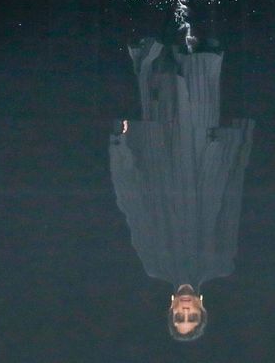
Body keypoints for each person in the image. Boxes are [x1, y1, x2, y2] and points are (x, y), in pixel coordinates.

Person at [109, 19, 254, 341]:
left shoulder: (155, 265)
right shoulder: (219, 264)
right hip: (205, 158)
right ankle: (195, 12)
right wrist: (236, 148)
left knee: (162, 83)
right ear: (202, 308)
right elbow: (231, 203)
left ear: (171, 308)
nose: (185, 310)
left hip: (162, 158)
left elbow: (133, 207)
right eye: (192, 316)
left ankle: (162, 14)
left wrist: (120, 147)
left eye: (179, 317)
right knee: (202, 67)